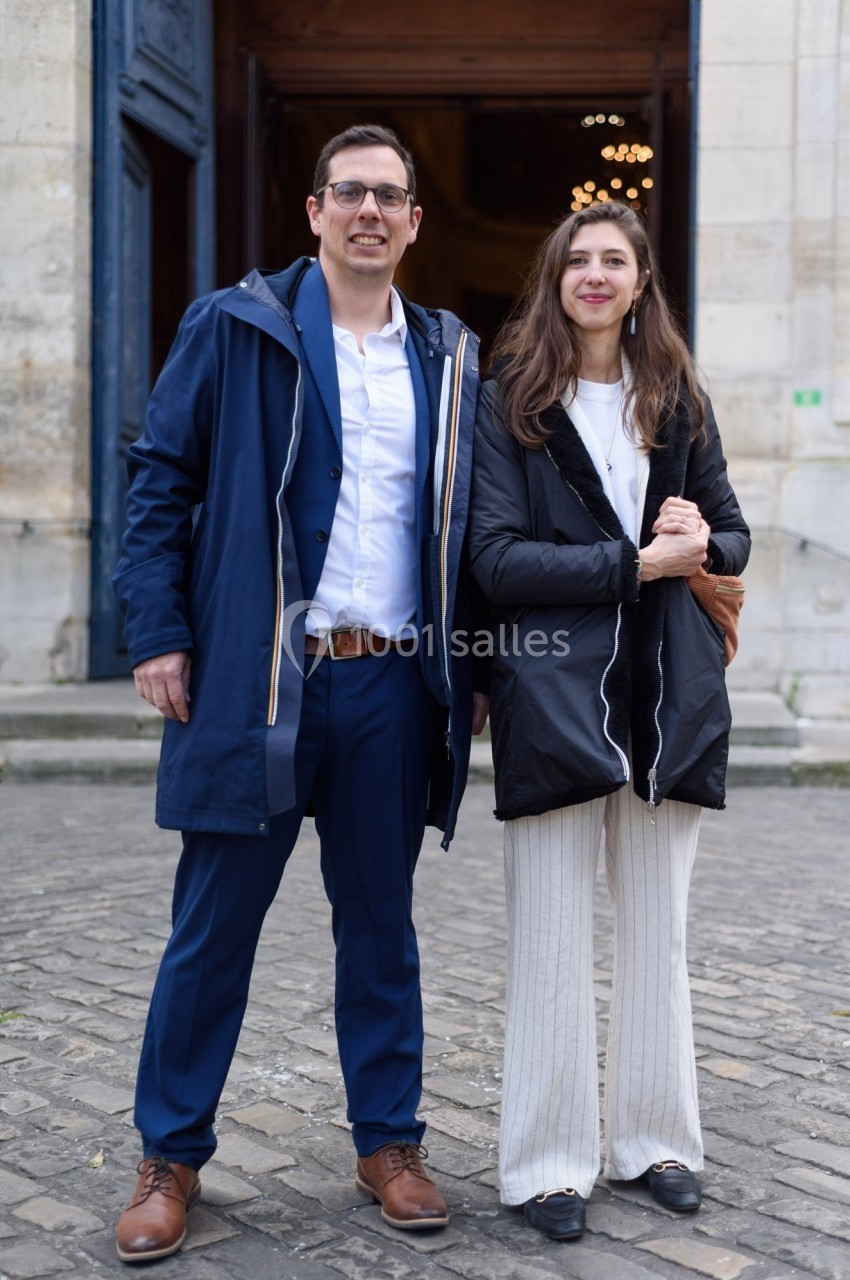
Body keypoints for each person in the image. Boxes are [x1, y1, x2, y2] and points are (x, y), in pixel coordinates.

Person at [112, 124, 489, 1263]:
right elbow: (159, 478)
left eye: (390, 196)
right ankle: (170, 1153)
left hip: (392, 686)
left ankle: (390, 1142)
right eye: (349, 193)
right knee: (211, 930)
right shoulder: (237, 328)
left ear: (414, 221)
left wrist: (469, 664)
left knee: (381, 929)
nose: (369, 211)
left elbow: (471, 528)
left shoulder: (448, 356)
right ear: (315, 212)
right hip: (259, 680)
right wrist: (160, 632)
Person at [468, 200, 750, 1241]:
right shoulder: (513, 402)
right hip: (551, 694)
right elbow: (493, 559)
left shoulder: (675, 398)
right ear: (555, 278)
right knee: (546, 935)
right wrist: (635, 563)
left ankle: (657, 1140)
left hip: (665, 698)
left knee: (657, 934)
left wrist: (701, 532)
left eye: (613, 259)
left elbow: (733, 532)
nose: (594, 274)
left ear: (640, 284)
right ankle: (546, 1163)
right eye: (576, 259)